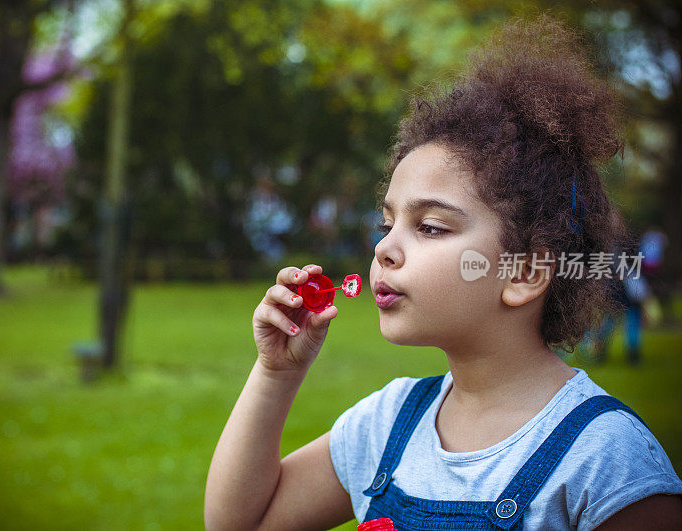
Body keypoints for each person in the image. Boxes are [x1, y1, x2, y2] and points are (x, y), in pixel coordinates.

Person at [204, 13, 682, 530]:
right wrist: (277, 373)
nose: (385, 248)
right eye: (386, 223)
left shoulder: (605, 460)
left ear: (524, 273)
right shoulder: (386, 426)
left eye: (429, 227)